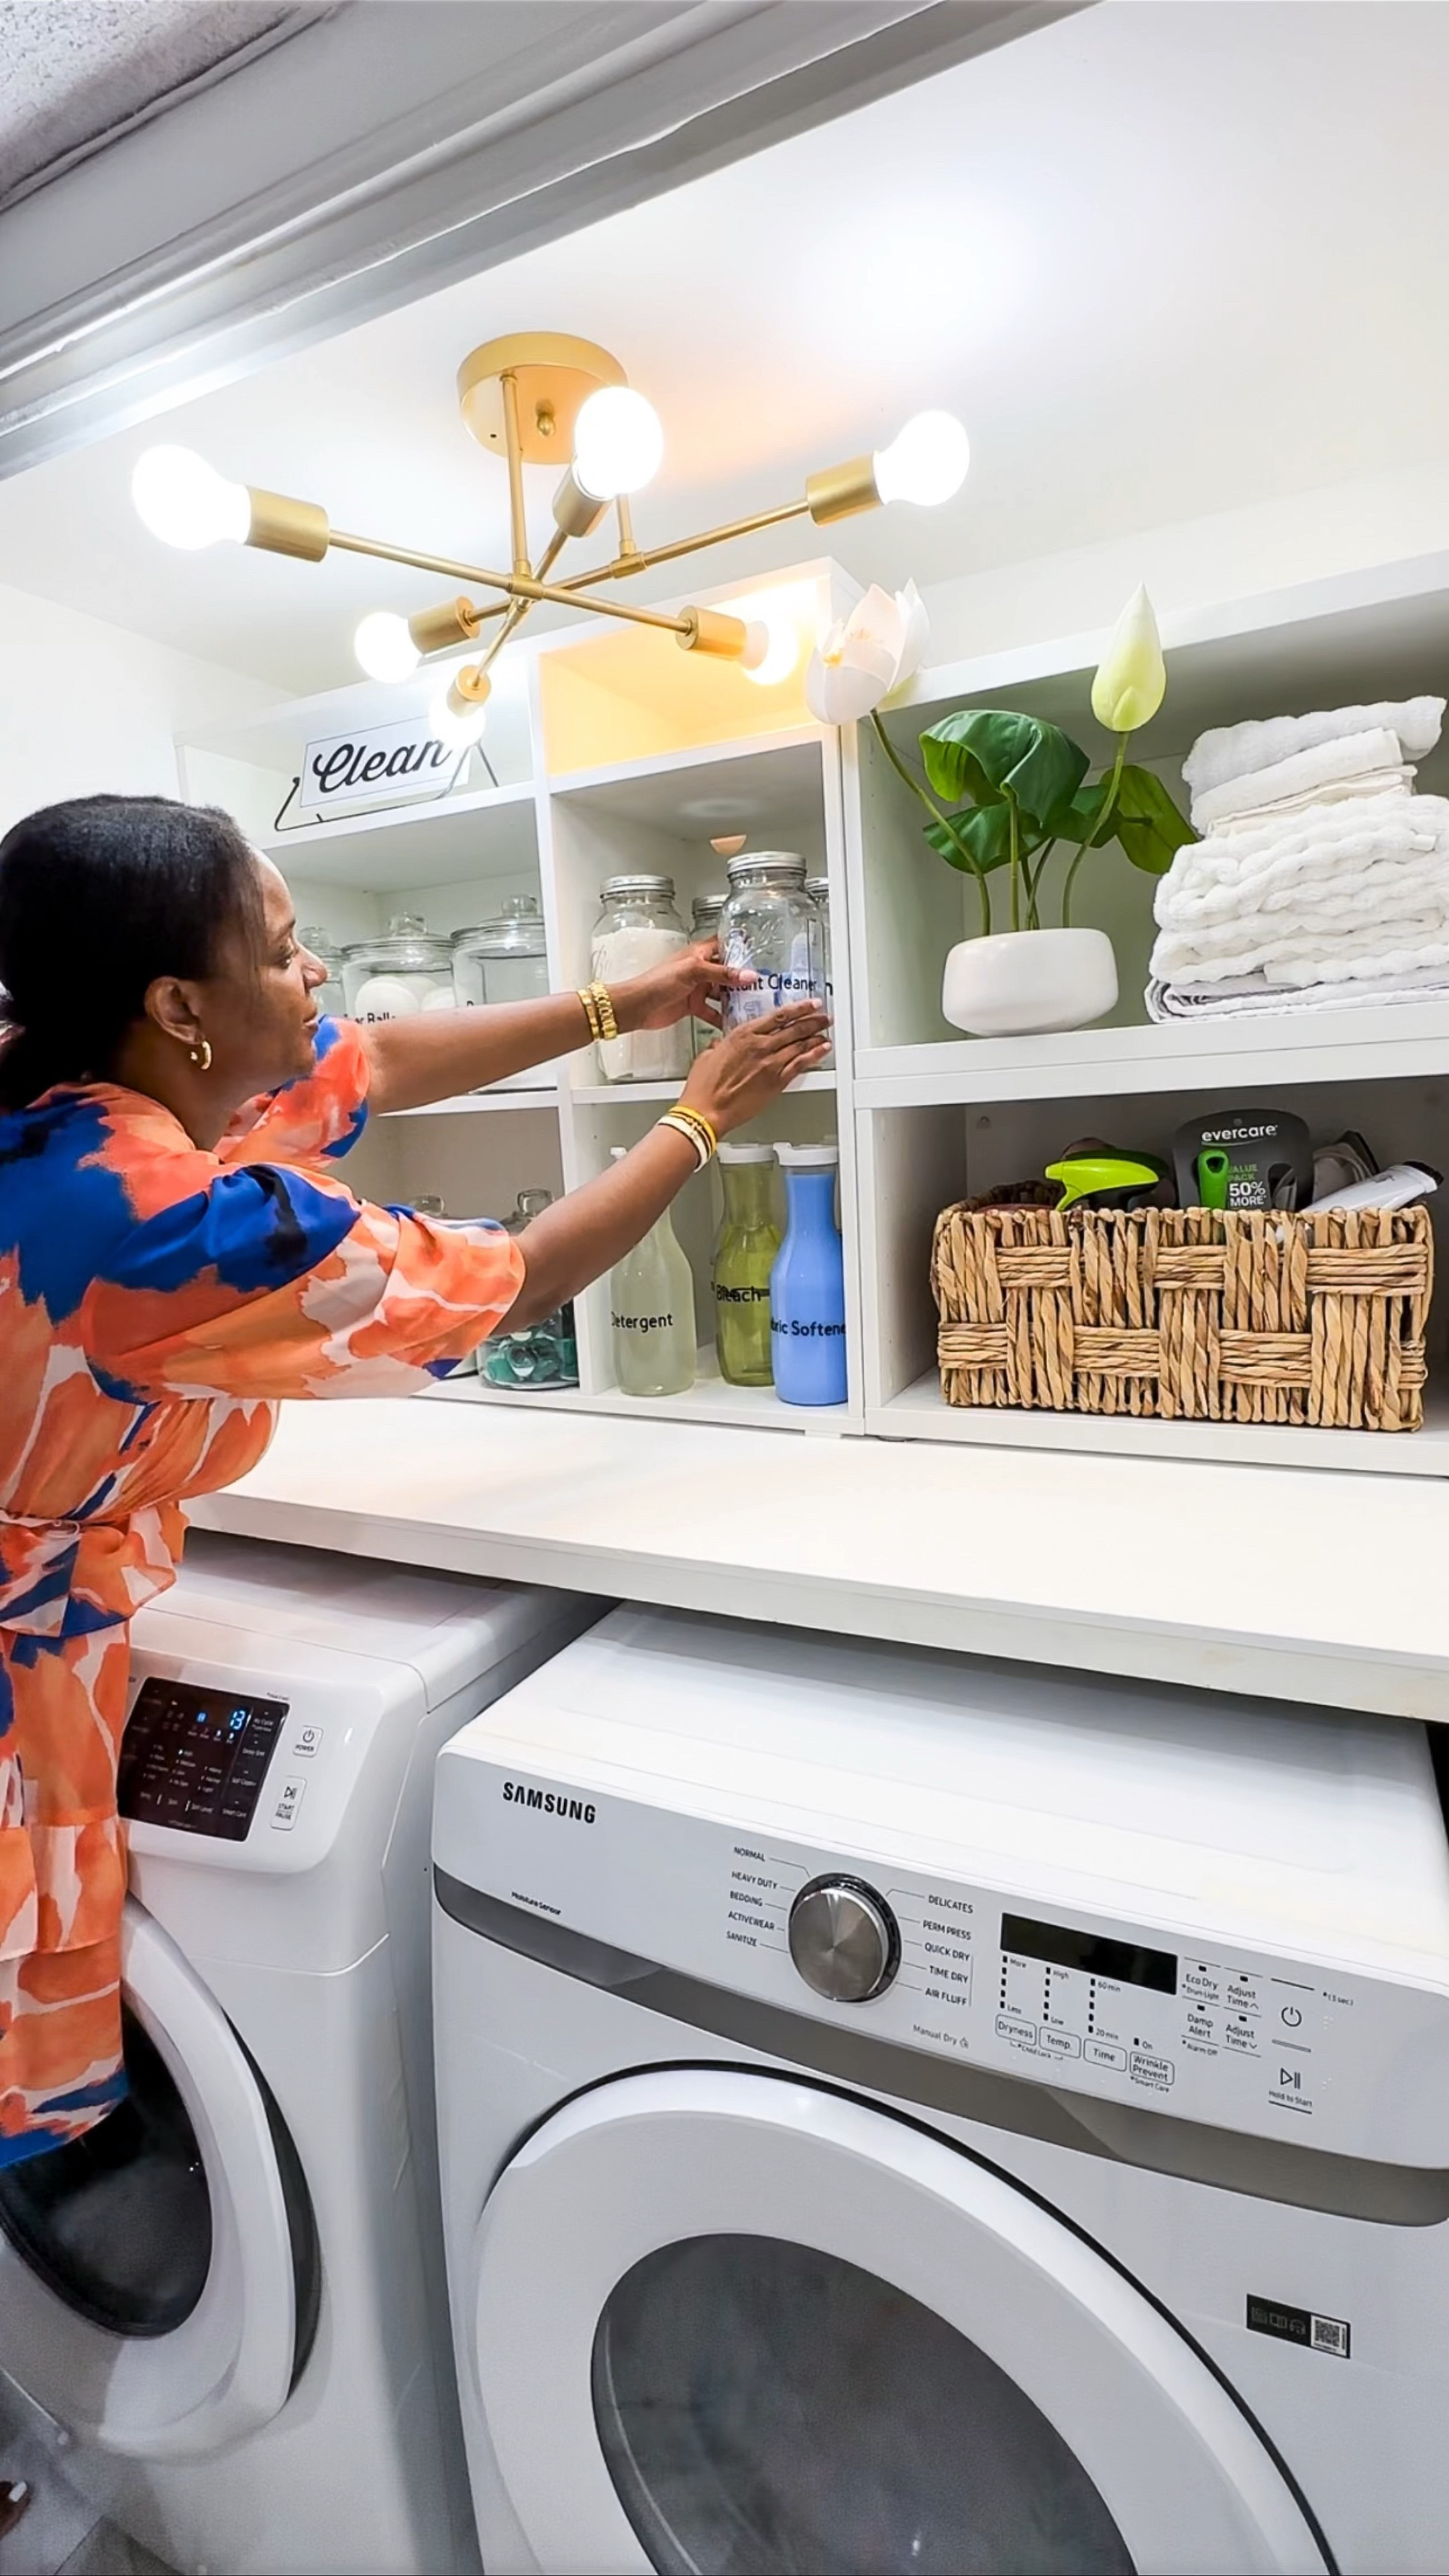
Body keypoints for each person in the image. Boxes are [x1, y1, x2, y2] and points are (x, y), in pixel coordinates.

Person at [0, 794, 829, 2168]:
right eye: (279, 949)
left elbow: (368, 1059)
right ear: (178, 1005)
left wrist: (637, 1000)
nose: (313, 971)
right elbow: (521, 1281)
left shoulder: (56, 1081)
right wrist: (700, 1116)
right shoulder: (166, 1223)